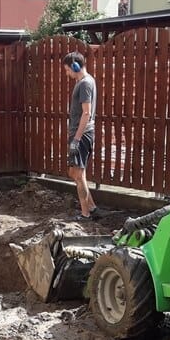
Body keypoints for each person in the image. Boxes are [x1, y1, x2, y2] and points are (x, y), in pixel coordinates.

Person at [62, 51, 99, 220]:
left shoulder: (85, 83)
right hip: (79, 133)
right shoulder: (83, 82)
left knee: (78, 174)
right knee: (73, 172)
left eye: (67, 70)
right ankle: (91, 206)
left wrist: (76, 139)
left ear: (75, 66)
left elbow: (86, 113)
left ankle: (85, 214)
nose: (67, 74)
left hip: (82, 135)